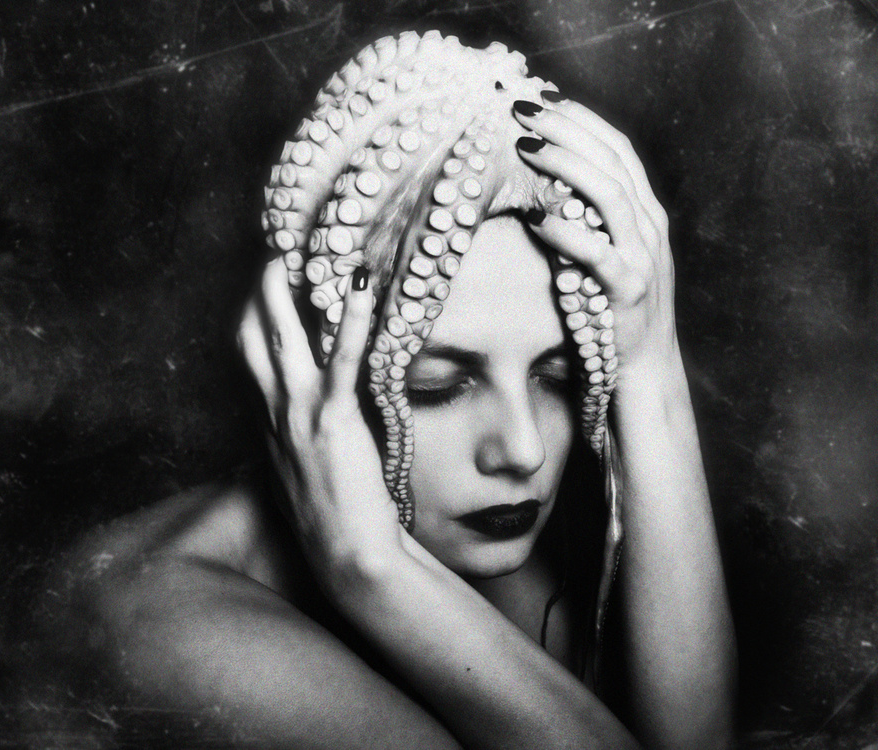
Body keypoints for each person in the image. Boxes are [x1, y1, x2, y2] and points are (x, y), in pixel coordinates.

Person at [40, 30, 735, 749]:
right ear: (301, 360)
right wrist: (372, 570)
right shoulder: (164, 620)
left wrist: (650, 364)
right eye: (438, 386)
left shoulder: (470, 544)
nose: (522, 450)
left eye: (557, 377)